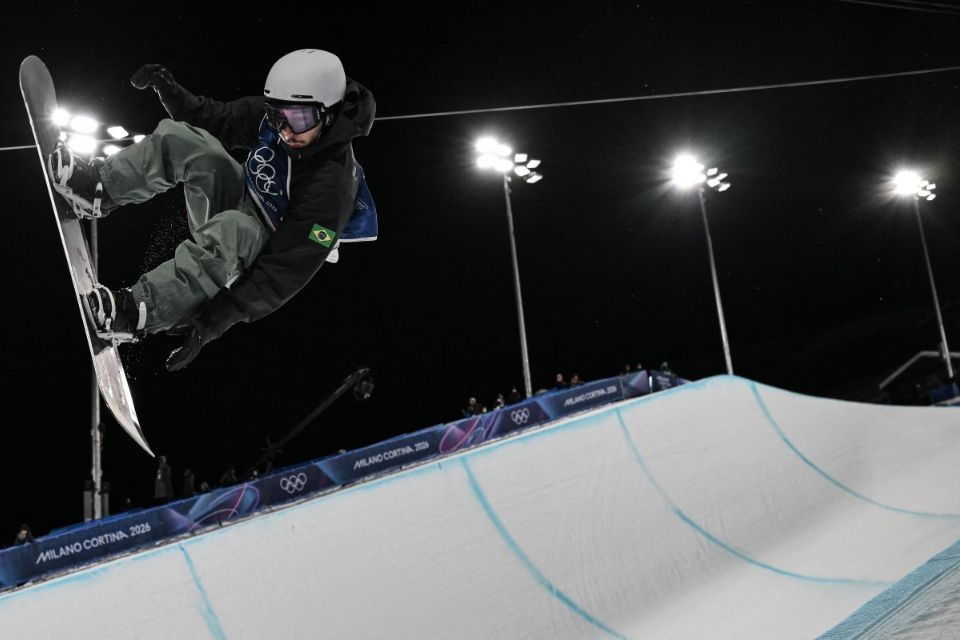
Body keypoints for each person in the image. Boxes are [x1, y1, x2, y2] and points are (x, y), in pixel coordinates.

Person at [47, 49, 377, 370]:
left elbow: (286, 272)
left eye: (300, 119)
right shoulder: (274, 121)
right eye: (278, 116)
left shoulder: (330, 188)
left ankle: (134, 313)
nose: (286, 130)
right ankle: (97, 190)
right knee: (187, 141)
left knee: (235, 228)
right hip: (239, 199)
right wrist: (173, 94)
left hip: (259, 253)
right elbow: (215, 120)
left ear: (329, 113)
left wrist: (213, 322)